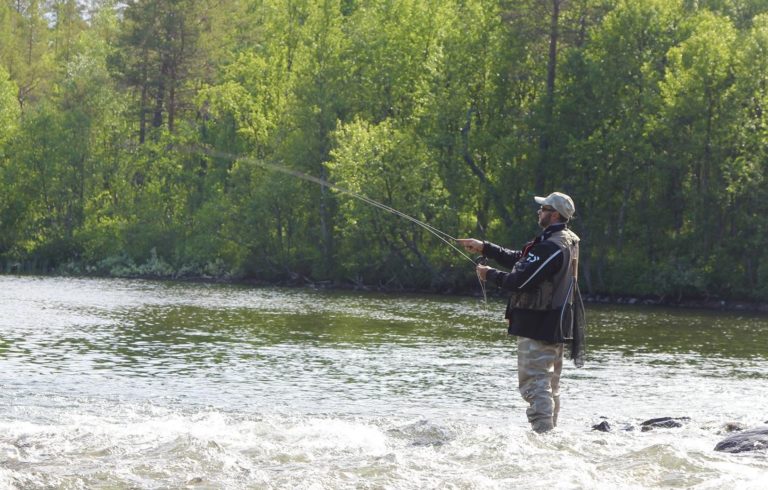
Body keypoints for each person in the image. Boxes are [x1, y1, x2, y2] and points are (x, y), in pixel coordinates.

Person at [457, 192, 585, 433]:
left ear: (554, 214)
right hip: (553, 323)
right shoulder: (562, 240)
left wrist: (489, 275)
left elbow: (521, 280)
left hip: (540, 325)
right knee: (549, 385)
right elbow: (523, 260)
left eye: (543, 208)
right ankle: (550, 435)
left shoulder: (552, 246)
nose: (539, 212)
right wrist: (486, 248)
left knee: (534, 385)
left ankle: (543, 436)